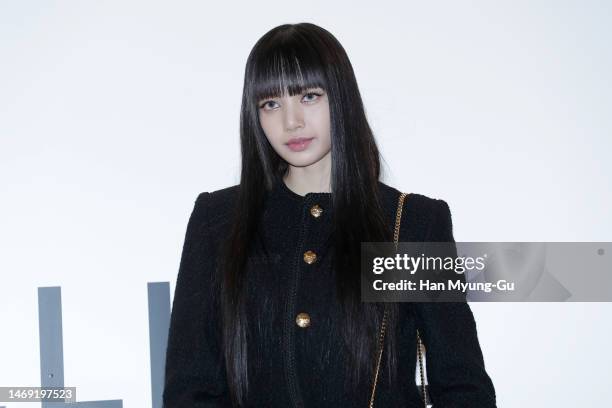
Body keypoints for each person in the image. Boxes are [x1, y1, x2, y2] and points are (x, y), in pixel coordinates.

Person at [162, 22, 497, 408]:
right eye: (271, 103)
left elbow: (463, 385)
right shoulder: (218, 221)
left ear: (340, 97)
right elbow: (190, 388)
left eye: (309, 96)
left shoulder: (410, 223)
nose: (291, 122)